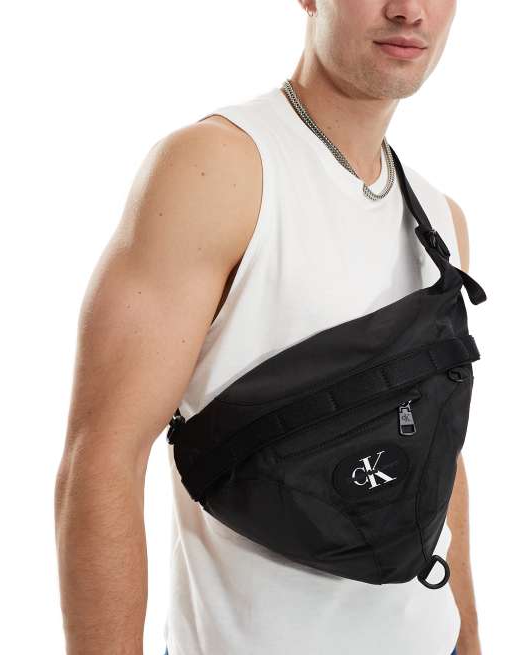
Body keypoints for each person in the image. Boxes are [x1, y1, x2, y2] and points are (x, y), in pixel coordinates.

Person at [54, 1, 483, 654]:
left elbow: (436, 453)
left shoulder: (440, 220)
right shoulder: (216, 170)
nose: (408, 11)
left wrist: (469, 641)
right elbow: (102, 461)